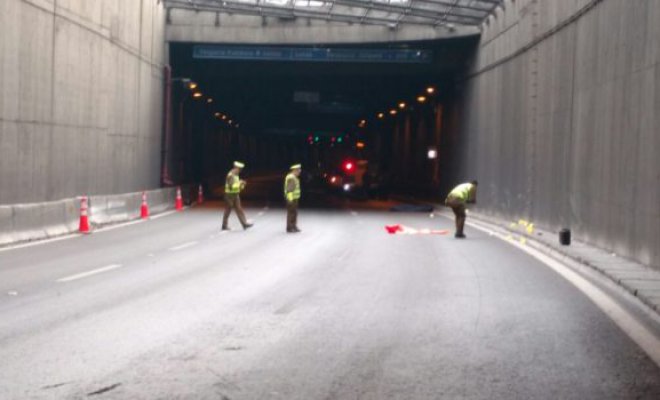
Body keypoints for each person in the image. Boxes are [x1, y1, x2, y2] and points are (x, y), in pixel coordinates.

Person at [222, 161, 253, 231]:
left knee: (239, 209)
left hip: (235, 195)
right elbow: (231, 187)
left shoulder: (236, 175)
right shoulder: (230, 175)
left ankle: (244, 224)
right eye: (239, 169)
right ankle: (224, 225)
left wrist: (242, 185)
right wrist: (240, 183)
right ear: (236, 168)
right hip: (229, 195)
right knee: (228, 210)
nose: (240, 171)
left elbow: (237, 187)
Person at [284, 164, 302, 233]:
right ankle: (290, 227)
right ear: (295, 170)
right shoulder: (291, 178)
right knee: (291, 213)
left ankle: (294, 226)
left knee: (294, 213)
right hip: (291, 199)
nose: (299, 172)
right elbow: (289, 190)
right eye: (298, 170)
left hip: (294, 198)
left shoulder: (294, 177)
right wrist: (290, 200)